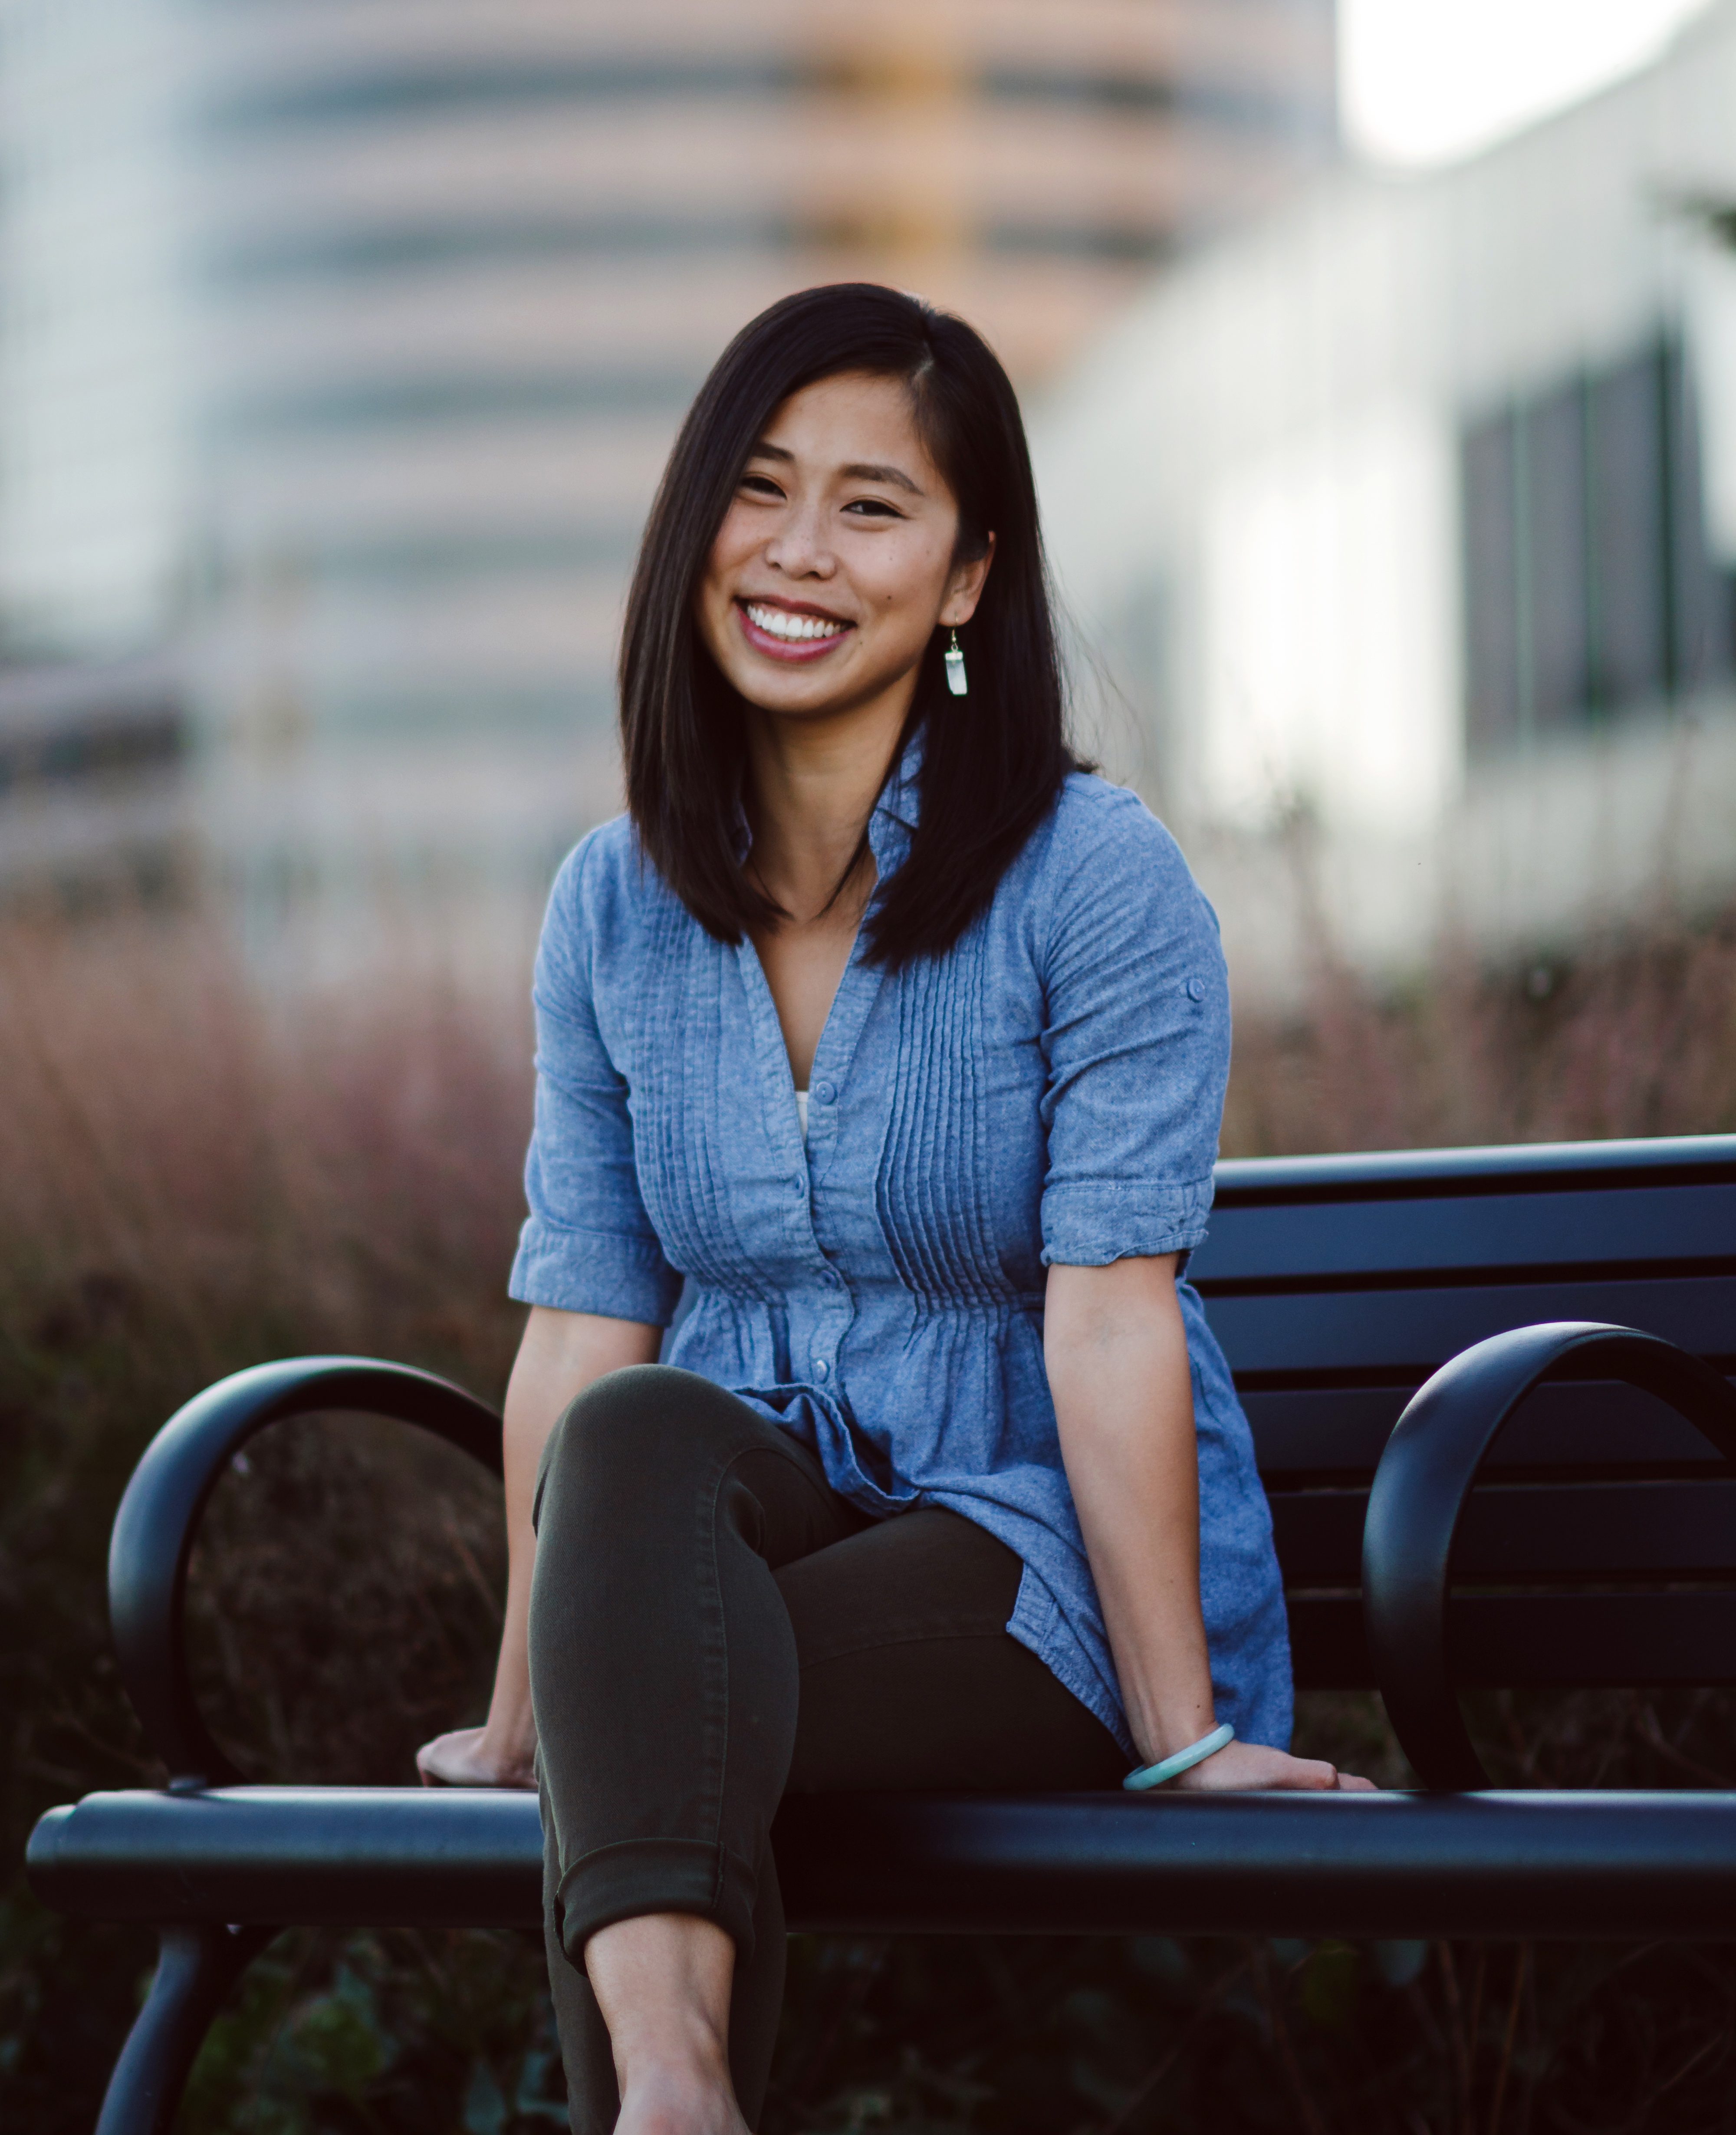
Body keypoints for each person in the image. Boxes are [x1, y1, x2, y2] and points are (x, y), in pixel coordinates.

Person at [417, 282, 1371, 2135]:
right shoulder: (611, 907)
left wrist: (1182, 1743)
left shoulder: (1095, 883)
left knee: (671, 1724)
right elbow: (582, 1323)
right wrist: (516, 1713)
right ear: (694, 529)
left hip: (1030, 1566)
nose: (796, 551)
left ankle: (661, 2100)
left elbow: (1105, 1314)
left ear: (963, 578)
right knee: (631, 1441)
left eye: (871, 506)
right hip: (737, 1540)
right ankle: (678, 2092)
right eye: (759, 490)